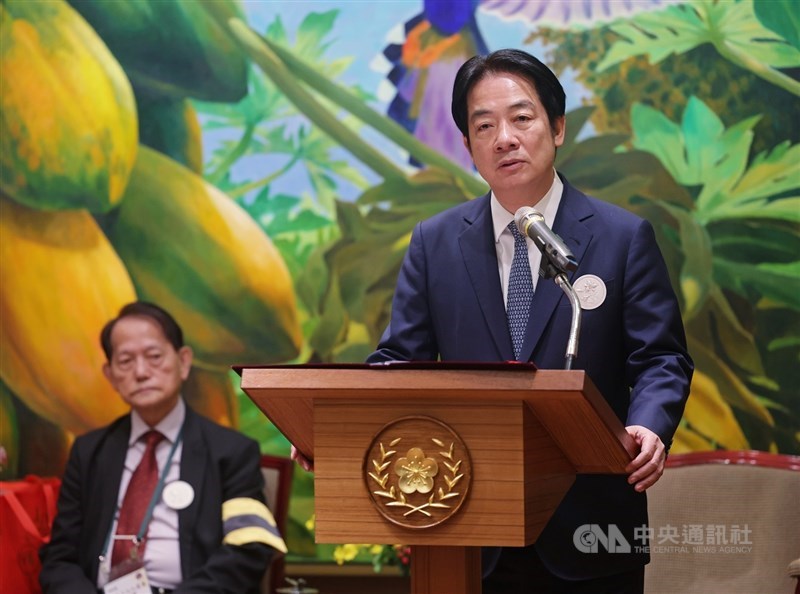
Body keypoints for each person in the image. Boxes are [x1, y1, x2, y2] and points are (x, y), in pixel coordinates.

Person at [366, 49, 693, 593]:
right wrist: (334, 423)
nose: (504, 138)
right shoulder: (434, 243)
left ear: (557, 127)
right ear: (468, 146)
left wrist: (649, 425)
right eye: (484, 125)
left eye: (522, 118)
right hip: (467, 519)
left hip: (591, 524)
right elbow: (400, 361)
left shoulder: (621, 237)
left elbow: (661, 357)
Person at [40, 301, 287, 594]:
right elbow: (60, 558)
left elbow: (247, 549)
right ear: (110, 376)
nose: (141, 372)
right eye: (126, 361)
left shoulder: (232, 452)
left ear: (183, 362)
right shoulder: (89, 452)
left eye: (154, 356)